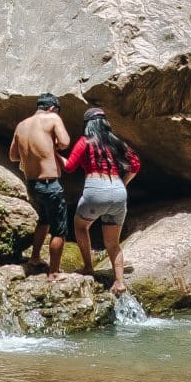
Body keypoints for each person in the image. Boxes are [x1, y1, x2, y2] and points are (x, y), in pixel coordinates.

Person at [63, 107, 140, 294]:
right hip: (119, 192)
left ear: (87, 125)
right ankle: (120, 282)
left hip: (95, 190)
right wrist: (123, 183)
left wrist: (54, 156)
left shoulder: (84, 142)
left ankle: (88, 267)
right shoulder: (116, 142)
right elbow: (136, 164)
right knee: (113, 243)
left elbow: (69, 167)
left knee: (81, 226)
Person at [11, 94, 73, 278]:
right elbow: (65, 142)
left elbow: (13, 156)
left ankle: (35, 257)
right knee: (59, 230)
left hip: (32, 184)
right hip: (50, 183)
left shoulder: (21, 125)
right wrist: (50, 147)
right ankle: (53, 273)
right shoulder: (52, 117)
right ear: (52, 108)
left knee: (44, 220)